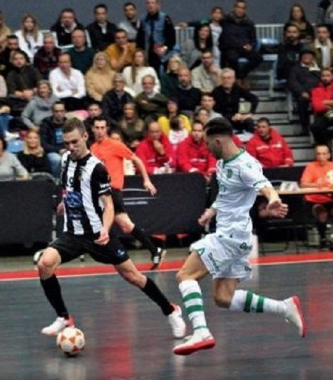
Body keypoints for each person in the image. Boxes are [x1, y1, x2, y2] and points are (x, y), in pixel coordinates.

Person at [35, 116, 185, 338]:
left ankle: (171, 310)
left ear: (85, 136)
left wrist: (105, 229)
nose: (71, 147)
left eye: (75, 142)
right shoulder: (65, 159)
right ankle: (64, 317)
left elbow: (109, 206)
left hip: (98, 234)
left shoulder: (97, 168)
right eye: (66, 143)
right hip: (73, 233)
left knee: (133, 277)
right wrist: (64, 203)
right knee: (44, 264)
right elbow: (70, 187)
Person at [172, 118, 305, 356]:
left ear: (218, 141)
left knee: (185, 275)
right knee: (223, 297)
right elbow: (225, 194)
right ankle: (284, 307)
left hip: (230, 236)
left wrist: (273, 198)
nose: (206, 148)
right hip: (237, 236)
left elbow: (263, 185)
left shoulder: (245, 165)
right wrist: (212, 211)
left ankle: (201, 332)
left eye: (207, 143)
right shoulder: (223, 162)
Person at [90, 117, 165, 268]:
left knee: (102, 226)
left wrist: (146, 180)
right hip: (99, 192)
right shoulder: (93, 148)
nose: (99, 131)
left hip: (112, 192)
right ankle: (154, 250)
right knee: (126, 226)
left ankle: (117, 256)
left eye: (102, 128)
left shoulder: (115, 145)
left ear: (107, 129)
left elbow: (137, 160)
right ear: (92, 129)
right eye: (97, 128)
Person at [219, 0, 262, 83]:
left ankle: (240, 77)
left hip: (244, 48)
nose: (240, 10)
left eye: (242, 8)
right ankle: (238, 80)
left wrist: (251, 46)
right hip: (230, 48)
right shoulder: (225, 21)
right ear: (234, 8)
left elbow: (253, 39)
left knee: (258, 58)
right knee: (231, 58)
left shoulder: (249, 23)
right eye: (238, 7)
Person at [300, 144, 333, 249]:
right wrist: (317, 184)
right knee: (321, 212)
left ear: (329, 155)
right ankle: (323, 239)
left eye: (324, 154)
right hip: (315, 200)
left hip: (330, 198)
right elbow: (303, 184)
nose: (321, 156)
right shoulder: (311, 167)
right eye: (318, 154)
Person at [136, 0, 176, 74]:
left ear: (158, 5)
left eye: (153, 3)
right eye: (148, 3)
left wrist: (165, 48)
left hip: (162, 53)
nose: (150, 5)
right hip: (148, 53)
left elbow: (171, 37)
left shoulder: (165, 18)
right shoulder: (143, 19)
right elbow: (140, 37)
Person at [212, 68, 259, 135]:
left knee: (249, 122)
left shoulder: (237, 89)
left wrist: (248, 114)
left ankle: (249, 139)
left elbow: (254, 99)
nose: (226, 80)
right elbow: (216, 110)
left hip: (237, 117)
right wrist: (230, 117)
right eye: (224, 78)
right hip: (222, 117)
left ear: (233, 79)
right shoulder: (216, 91)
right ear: (221, 80)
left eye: (229, 78)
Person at [288, 47, 321, 136]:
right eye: (304, 55)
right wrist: (302, 92)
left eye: (309, 55)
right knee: (302, 101)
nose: (306, 57)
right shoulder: (295, 69)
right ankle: (304, 126)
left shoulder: (318, 68)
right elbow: (292, 82)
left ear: (312, 57)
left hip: (319, 94)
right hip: (304, 93)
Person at [40, 101, 68, 178]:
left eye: (61, 111)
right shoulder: (45, 124)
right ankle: (56, 180)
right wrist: (58, 150)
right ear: (52, 112)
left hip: (67, 149)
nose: (59, 113)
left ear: (65, 112)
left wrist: (66, 149)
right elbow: (43, 143)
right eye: (56, 111)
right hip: (51, 151)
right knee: (57, 159)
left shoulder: (68, 124)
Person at [310, 67, 333, 145]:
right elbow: (317, 107)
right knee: (315, 127)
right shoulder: (316, 90)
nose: (325, 78)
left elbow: (320, 104)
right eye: (323, 76)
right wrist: (330, 105)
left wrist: (325, 102)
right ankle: (324, 147)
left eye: (328, 75)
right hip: (323, 115)